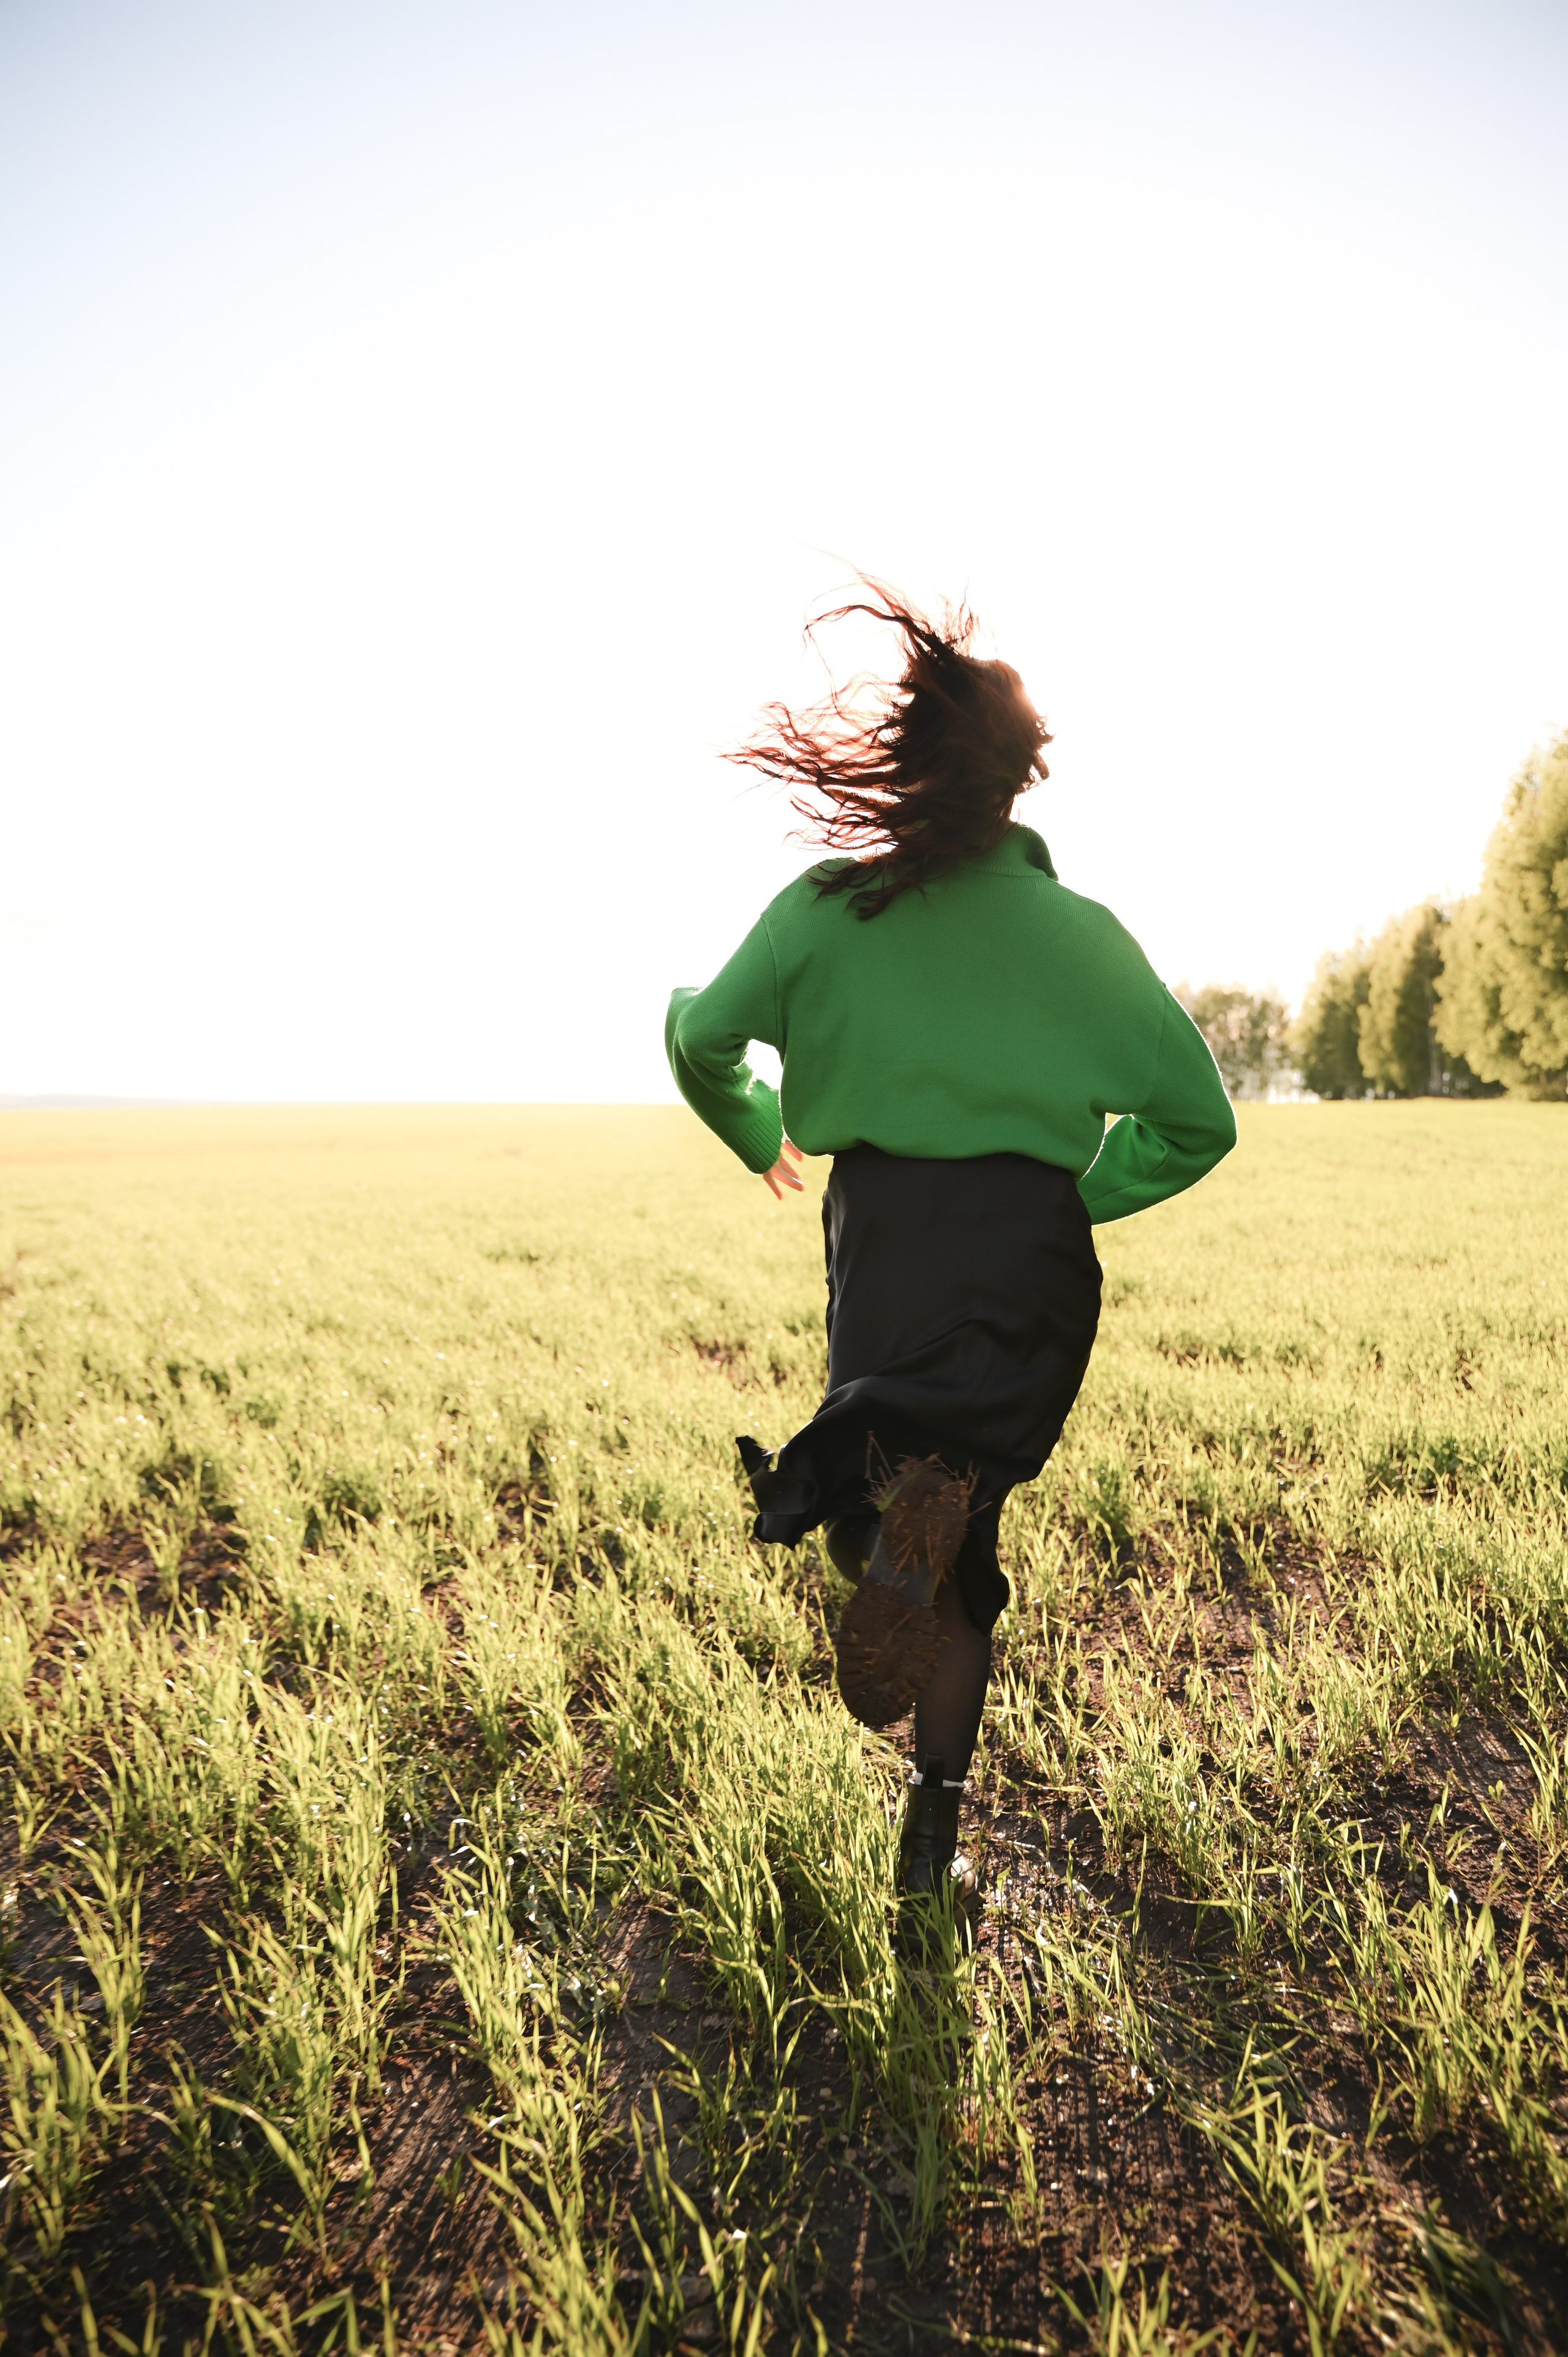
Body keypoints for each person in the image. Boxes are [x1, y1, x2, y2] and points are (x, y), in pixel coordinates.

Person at [665, 583, 1235, 1906]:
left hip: (886, 1241)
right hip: (1029, 1269)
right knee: (965, 1531)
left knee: (886, 1494)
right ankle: (932, 1845)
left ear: (904, 765)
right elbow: (1194, 1122)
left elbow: (699, 1036)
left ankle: (880, 1552)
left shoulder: (823, 908)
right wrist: (1065, 1203)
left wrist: (755, 1128)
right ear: (1019, 782)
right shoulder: (1080, 933)